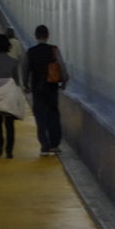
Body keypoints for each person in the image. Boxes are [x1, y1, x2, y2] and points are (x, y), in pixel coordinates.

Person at [21, 25, 68, 156]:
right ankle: (54, 144)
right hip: (51, 87)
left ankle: (44, 145)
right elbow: (62, 66)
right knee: (53, 114)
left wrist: (25, 84)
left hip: (37, 88)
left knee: (40, 116)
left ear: (36, 36)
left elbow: (25, 69)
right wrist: (64, 81)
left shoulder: (31, 52)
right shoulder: (54, 49)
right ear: (47, 36)